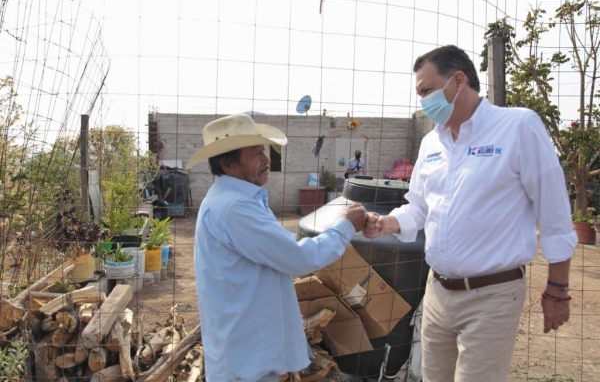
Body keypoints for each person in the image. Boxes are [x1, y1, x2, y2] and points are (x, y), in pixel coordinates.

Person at [363, 45, 576, 381]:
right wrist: (385, 223)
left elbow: (555, 216)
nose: (423, 102)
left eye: (426, 91)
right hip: (437, 293)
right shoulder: (432, 143)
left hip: (491, 296)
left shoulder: (518, 127)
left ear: (458, 80)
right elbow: (418, 207)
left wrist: (557, 290)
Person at [186, 113, 367, 382]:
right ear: (228, 164)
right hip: (246, 360)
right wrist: (346, 225)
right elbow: (299, 258)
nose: (266, 158)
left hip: (244, 352)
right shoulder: (237, 207)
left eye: (264, 149)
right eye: (255, 153)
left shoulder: (231, 199)